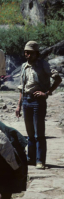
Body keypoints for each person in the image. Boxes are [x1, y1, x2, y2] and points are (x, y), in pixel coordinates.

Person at [16, 40, 62, 170]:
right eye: (26, 52)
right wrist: (18, 105)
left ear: (36, 53)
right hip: (26, 101)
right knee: (30, 133)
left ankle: (40, 160)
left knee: (39, 133)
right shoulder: (24, 66)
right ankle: (31, 158)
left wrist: (47, 93)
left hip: (38, 102)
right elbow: (22, 87)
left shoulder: (43, 65)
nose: (27, 55)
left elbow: (57, 78)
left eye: (30, 53)